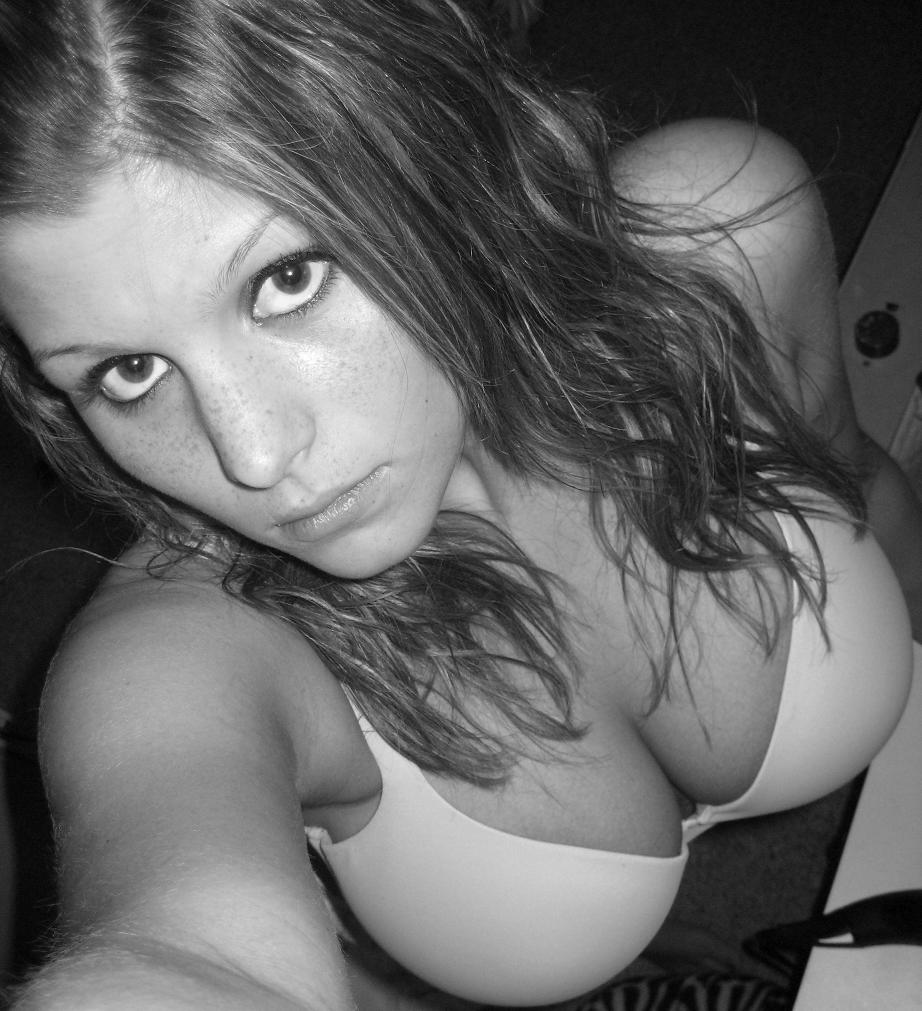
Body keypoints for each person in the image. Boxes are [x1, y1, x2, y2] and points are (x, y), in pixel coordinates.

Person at [0, 1, 918, 1007]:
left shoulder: (718, 241)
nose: (253, 456)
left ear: (439, 153)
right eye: (128, 372)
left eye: (288, 278)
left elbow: (849, 472)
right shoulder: (175, 655)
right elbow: (183, 947)